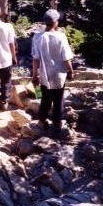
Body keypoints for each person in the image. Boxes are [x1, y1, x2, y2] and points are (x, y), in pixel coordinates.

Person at [31, 9, 74, 138]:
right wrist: (70, 71)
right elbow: (66, 58)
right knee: (58, 99)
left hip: (45, 74)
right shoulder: (60, 36)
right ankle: (57, 124)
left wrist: (34, 75)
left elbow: (35, 59)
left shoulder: (37, 37)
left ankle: (41, 122)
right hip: (59, 74)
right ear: (55, 22)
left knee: (45, 99)